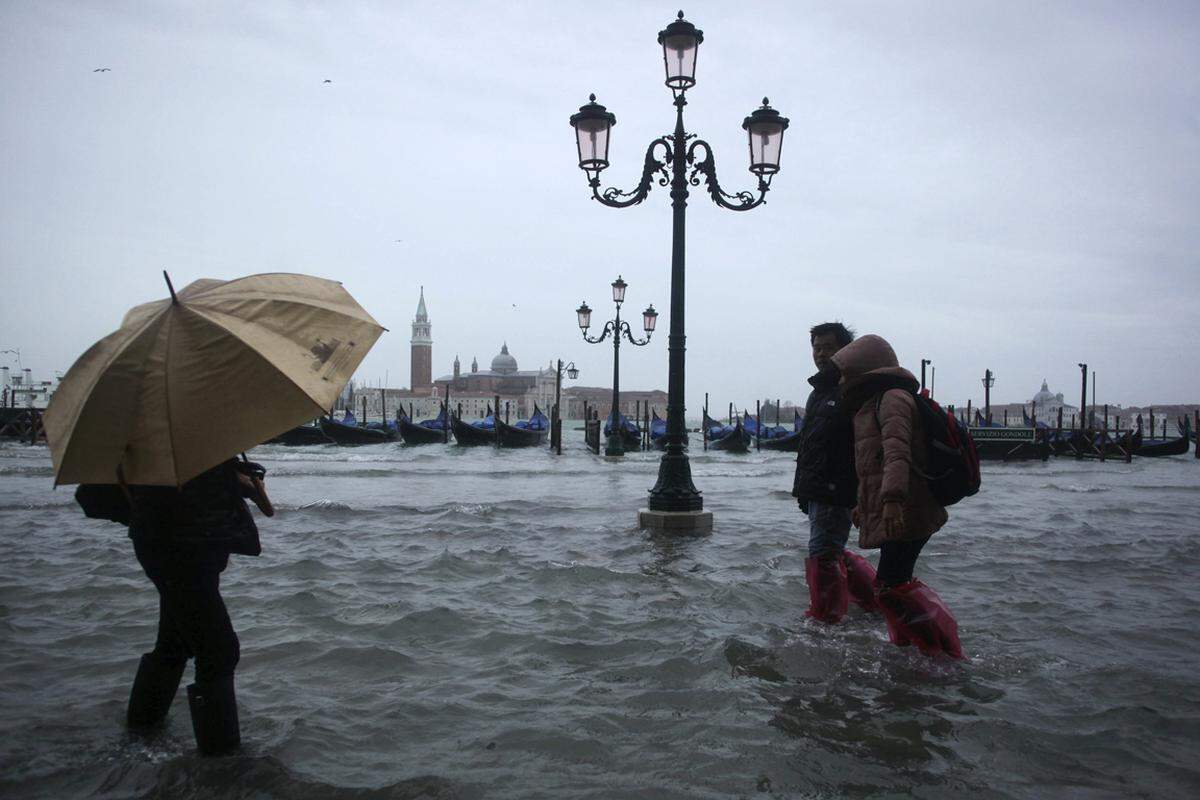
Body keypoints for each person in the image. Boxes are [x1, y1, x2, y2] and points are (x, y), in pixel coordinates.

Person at [124, 457, 273, 754]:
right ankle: (221, 761)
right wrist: (233, 480)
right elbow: (188, 490)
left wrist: (235, 477)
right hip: (181, 546)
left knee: (174, 642)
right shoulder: (181, 442)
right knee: (218, 651)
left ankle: (141, 732)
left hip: (175, 544)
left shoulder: (178, 440)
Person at [831, 334, 963, 659]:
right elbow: (871, 466)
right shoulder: (870, 405)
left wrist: (892, 501)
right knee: (894, 583)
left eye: (848, 371)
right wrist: (865, 504)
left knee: (889, 586)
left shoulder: (892, 399)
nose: (844, 380)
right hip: (900, 508)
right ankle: (913, 647)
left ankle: (937, 652)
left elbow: (896, 453)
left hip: (908, 509)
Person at [792, 322, 878, 623]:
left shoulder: (851, 390)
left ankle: (825, 618)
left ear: (845, 350)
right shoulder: (819, 391)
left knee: (823, 553)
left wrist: (860, 493)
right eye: (817, 347)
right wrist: (803, 490)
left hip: (836, 488)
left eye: (829, 347)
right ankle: (874, 602)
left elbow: (864, 445)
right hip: (816, 488)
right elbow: (810, 446)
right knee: (832, 550)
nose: (821, 353)